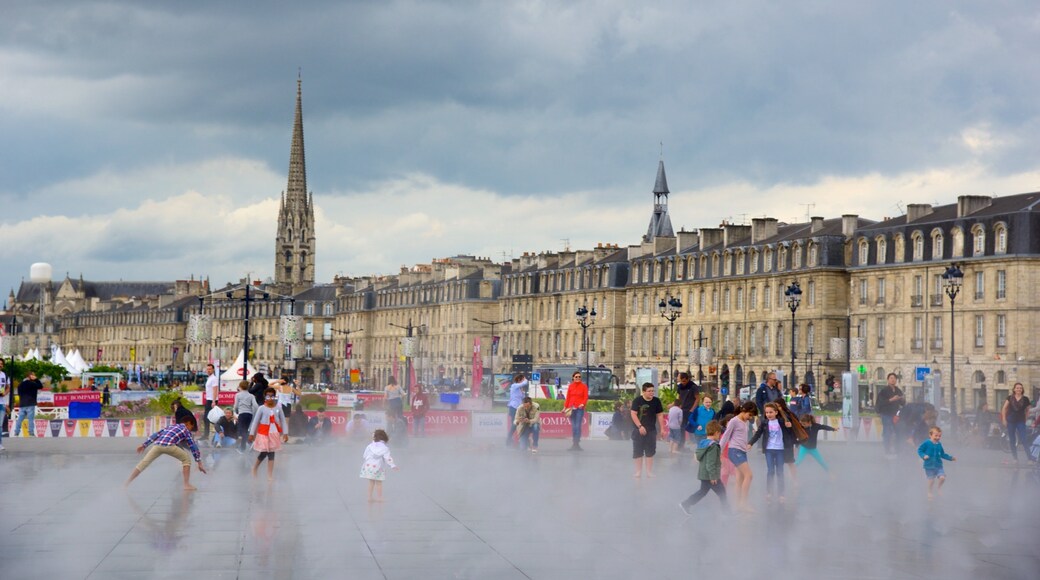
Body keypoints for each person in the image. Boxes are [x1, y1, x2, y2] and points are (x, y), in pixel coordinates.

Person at [125, 415, 207, 491]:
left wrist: (144, 445)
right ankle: (186, 485)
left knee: (143, 463)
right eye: (191, 427)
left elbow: (156, 434)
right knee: (186, 459)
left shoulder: (170, 426)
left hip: (157, 445)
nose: (190, 429)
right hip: (169, 445)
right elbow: (193, 446)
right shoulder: (186, 430)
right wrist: (198, 462)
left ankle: (126, 484)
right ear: (188, 423)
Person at [748, 402, 794, 504]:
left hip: (780, 450)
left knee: (780, 472)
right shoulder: (764, 423)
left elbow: (790, 434)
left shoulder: (782, 422)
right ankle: (769, 492)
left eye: (771, 412)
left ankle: (781, 494)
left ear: (776, 412)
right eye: (767, 412)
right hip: (769, 449)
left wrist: (789, 427)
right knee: (770, 471)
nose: (769, 414)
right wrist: (750, 443)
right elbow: (758, 434)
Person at [679, 420, 728, 515]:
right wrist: (713, 476)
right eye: (719, 434)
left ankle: (686, 504)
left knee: (702, 492)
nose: (719, 436)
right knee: (722, 493)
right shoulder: (713, 446)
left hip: (704, 474)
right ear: (717, 432)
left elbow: (698, 457)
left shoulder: (703, 443)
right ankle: (727, 513)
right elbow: (711, 462)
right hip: (711, 476)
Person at [720, 401, 759, 513]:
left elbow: (741, 436)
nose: (750, 417)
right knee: (749, 475)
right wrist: (719, 451)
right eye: (750, 415)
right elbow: (726, 436)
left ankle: (737, 504)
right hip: (734, 451)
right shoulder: (734, 421)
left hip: (742, 451)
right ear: (744, 410)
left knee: (740, 478)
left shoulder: (744, 422)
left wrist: (747, 445)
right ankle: (743, 504)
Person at [249, 387, 288, 480]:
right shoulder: (261, 408)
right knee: (264, 452)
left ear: (275, 397)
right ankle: (255, 468)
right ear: (264, 397)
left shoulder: (278, 408)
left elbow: (283, 420)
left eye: (272, 396)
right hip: (263, 433)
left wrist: (285, 433)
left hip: (274, 433)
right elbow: (255, 421)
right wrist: (251, 433)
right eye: (268, 396)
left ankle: (270, 475)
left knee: (271, 453)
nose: (270, 398)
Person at [630, 383, 664, 478]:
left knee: (650, 451)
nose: (652, 393)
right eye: (649, 391)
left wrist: (662, 429)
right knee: (638, 451)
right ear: (644, 391)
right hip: (638, 429)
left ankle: (649, 472)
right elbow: (633, 414)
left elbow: (660, 415)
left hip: (651, 430)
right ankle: (638, 471)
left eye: (653, 391)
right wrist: (640, 426)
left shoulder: (656, 401)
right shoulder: (637, 401)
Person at [918, 426, 956, 500]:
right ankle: (929, 491)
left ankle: (938, 488)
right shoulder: (926, 443)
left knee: (942, 478)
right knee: (931, 480)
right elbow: (920, 450)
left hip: (938, 466)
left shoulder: (939, 444)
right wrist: (923, 456)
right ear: (930, 435)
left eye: (939, 436)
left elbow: (942, 454)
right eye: (936, 435)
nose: (938, 437)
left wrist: (950, 458)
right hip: (929, 466)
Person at [360, 429, 398, 502]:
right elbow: (388, 458)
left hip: (368, 466)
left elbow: (364, 455)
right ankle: (379, 497)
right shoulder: (384, 448)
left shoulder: (370, 446)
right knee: (379, 483)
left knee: (371, 482)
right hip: (378, 467)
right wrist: (392, 465)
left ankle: (369, 497)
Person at [1001, 382, 1032, 464]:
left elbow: (1028, 409)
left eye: (1020, 388)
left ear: (1022, 390)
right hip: (1011, 421)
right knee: (1012, 440)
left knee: (1024, 439)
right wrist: (1004, 419)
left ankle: (1030, 458)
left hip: (1021, 421)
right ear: (1014, 389)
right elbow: (1004, 408)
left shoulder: (1025, 399)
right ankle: (1015, 458)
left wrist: (1026, 417)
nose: (1019, 389)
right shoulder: (1009, 398)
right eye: (1017, 388)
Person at [876, 372, 906, 456]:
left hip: (895, 415)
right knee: (887, 432)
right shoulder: (884, 391)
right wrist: (891, 399)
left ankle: (897, 449)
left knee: (898, 431)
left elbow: (902, 403)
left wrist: (902, 399)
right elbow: (880, 402)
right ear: (888, 380)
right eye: (891, 378)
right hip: (886, 414)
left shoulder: (898, 390)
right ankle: (887, 449)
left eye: (894, 378)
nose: (893, 380)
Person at [564, 371, 589, 451]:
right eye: (576, 377)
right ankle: (574, 443)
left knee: (577, 426)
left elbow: (585, 397)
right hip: (571, 408)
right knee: (574, 426)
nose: (578, 378)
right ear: (573, 378)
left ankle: (576, 443)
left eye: (579, 377)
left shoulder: (584, 386)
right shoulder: (570, 386)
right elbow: (568, 397)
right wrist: (565, 407)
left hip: (579, 408)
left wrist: (583, 404)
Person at [15, 371, 44, 437]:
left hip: (22, 403)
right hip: (30, 403)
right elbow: (40, 386)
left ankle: (16, 432)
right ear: (30, 376)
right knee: (30, 419)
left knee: (20, 418)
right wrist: (36, 379)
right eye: (33, 375)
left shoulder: (20, 384)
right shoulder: (32, 383)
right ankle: (31, 432)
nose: (34, 376)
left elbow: (19, 394)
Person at [675, 372, 698, 450]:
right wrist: (676, 406)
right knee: (681, 428)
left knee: (693, 427)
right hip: (682, 409)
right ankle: (681, 445)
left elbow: (697, 398)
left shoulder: (693, 386)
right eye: (681, 381)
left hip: (691, 410)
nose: (683, 382)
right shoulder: (680, 387)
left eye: (684, 381)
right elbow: (678, 398)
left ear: (688, 379)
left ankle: (696, 445)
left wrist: (692, 409)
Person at [234, 380, 259, 452]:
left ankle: (243, 447)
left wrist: (236, 412)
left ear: (240, 387)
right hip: (249, 415)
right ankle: (247, 444)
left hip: (242, 414)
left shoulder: (238, 395)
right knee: (246, 430)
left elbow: (236, 406)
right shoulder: (251, 396)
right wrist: (253, 413)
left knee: (242, 431)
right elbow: (256, 406)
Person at [506, 374, 527, 446]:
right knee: (515, 424)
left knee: (516, 424)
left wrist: (523, 392)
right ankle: (508, 439)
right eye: (522, 379)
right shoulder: (514, 386)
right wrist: (525, 380)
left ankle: (511, 440)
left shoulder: (520, 389)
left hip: (518, 408)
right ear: (519, 380)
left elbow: (523, 398)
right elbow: (525, 383)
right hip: (513, 407)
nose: (523, 382)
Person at [202, 363, 219, 439]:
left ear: (213, 370)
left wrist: (213, 401)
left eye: (210, 369)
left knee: (207, 418)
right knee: (207, 418)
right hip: (208, 399)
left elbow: (215, 390)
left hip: (211, 400)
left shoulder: (214, 378)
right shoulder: (209, 378)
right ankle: (207, 434)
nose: (208, 370)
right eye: (207, 369)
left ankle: (206, 435)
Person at [0, 359, 8, 449]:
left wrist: (5, 393)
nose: (0, 365)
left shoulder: (5, 375)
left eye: (1, 364)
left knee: (0, 425)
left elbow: (8, 387)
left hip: (1, 403)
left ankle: (0, 444)